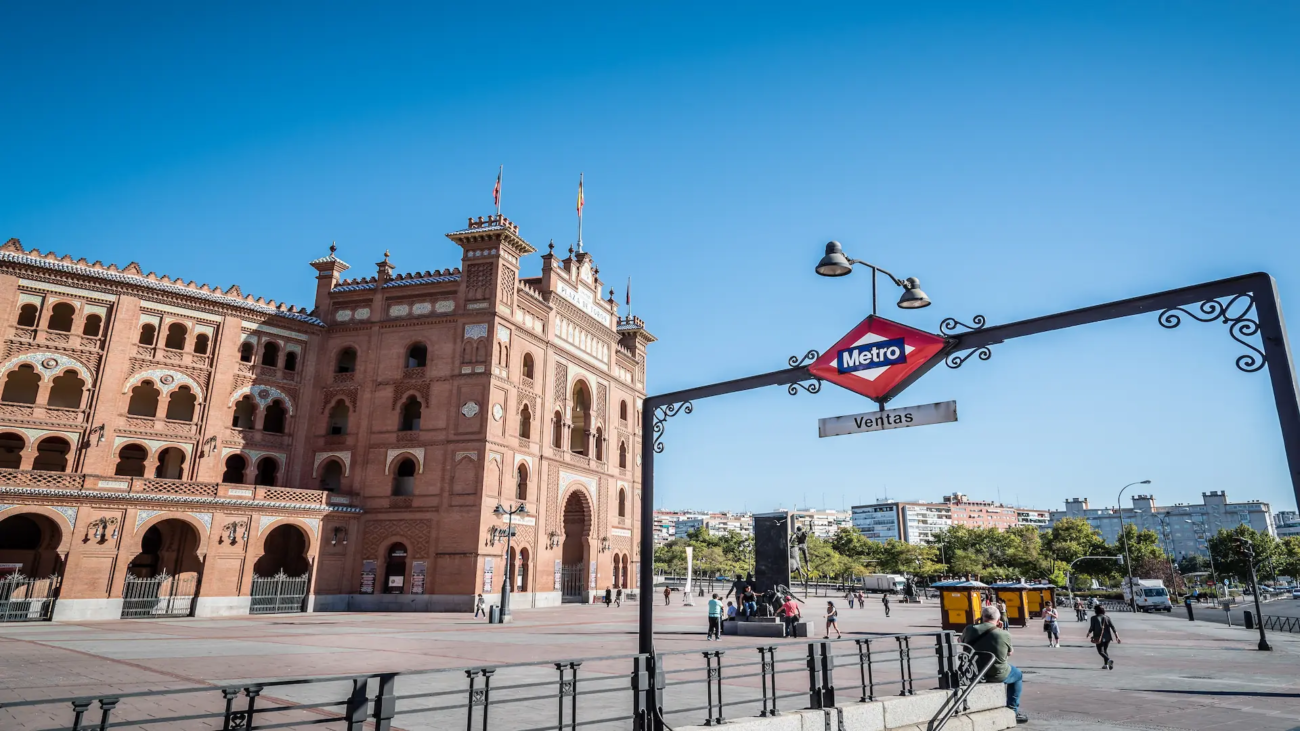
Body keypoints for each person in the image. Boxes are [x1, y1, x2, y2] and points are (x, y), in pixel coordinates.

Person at [960, 605, 1028, 725]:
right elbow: (1010, 652)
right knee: (1018, 675)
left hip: (973, 672)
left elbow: (960, 641)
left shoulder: (970, 629)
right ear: (998, 619)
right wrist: (999, 629)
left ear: (982, 617)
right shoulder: (1003, 633)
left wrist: (975, 625)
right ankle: (1013, 710)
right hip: (996, 673)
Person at [1088, 604, 1120, 670]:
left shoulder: (1093, 618)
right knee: (1105, 651)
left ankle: (1109, 660)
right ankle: (1106, 665)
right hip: (1108, 637)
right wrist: (1117, 637)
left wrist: (1088, 633)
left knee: (1101, 651)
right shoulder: (1107, 617)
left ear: (1096, 610)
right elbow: (1113, 627)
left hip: (1099, 637)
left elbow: (1092, 627)